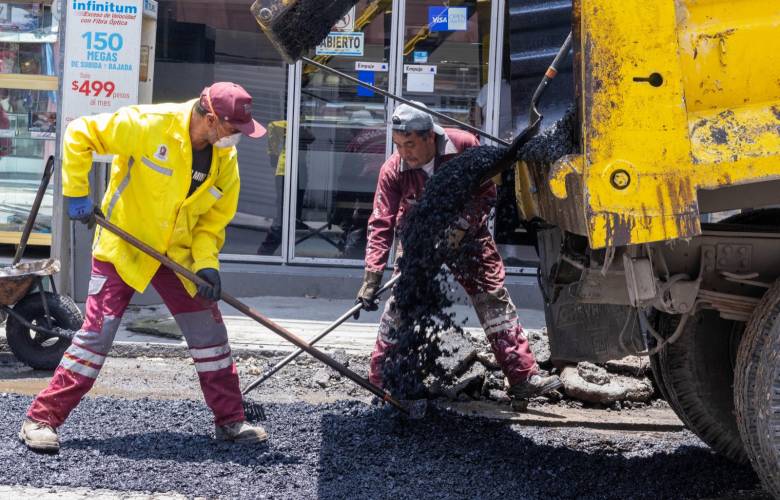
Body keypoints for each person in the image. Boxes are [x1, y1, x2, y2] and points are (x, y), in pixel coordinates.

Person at [19, 82, 269, 452]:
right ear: (211, 119)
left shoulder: (225, 160)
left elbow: (211, 223)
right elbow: (79, 133)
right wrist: (76, 191)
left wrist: (206, 266)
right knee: (95, 337)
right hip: (125, 248)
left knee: (210, 335)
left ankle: (230, 420)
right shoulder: (150, 124)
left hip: (178, 256)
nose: (239, 136)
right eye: (235, 128)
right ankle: (41, 419)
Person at [356, 102, 562, 401]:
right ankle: (381, 382)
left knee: (492, 300)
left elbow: (485, 193)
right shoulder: (393, 169)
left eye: (410, 144)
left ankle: (522, 377)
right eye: (398, 145)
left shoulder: (463, 146)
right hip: (419, 243)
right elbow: (381, 222)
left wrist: (460, 228)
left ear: (430, 136)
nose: (404, 153)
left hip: (469, 237)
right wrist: (372, 275)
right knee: (402, 306)